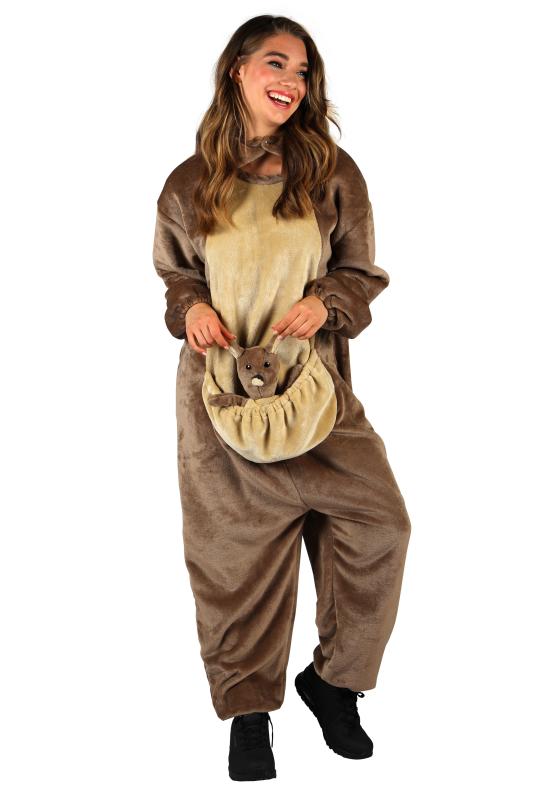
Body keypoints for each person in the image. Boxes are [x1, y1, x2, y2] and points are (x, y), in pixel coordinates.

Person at [152, 15, 411, 782]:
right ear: (237, 69)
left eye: (302, 71)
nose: (291, 82)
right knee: (235, 557)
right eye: (276, 63)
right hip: (222, 398)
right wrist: (191, 309)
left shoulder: (330, 172)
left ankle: (334, 684)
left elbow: (359, 271)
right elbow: (176, 274)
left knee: (380, 526)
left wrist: (324, 301)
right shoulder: (189, 182)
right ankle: (249, 714)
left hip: (314, 389)